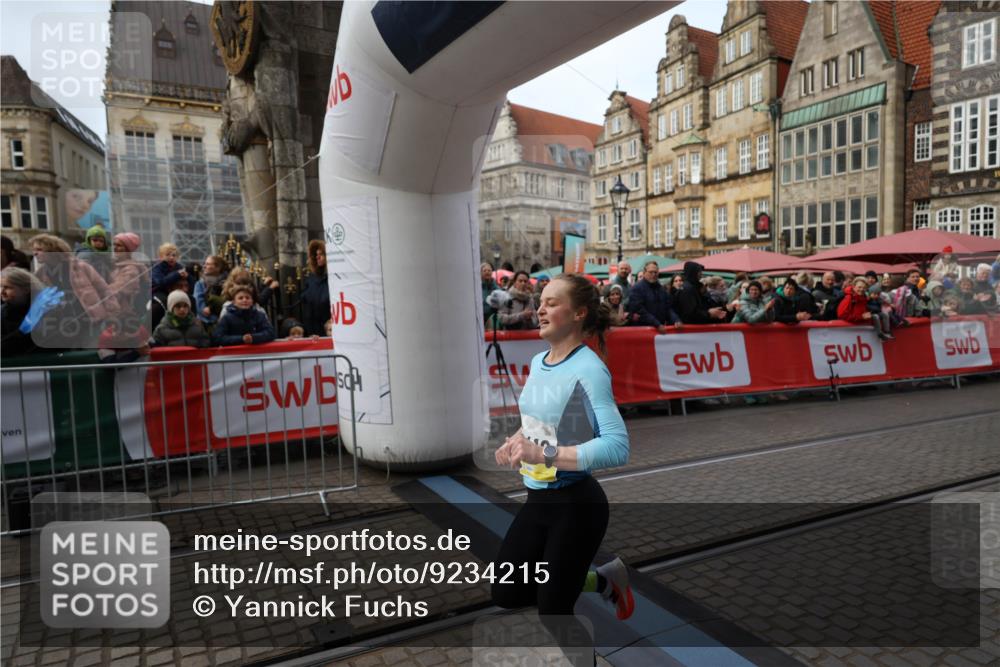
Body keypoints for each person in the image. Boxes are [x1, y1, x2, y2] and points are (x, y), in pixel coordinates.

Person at [492, 273, 633, 667]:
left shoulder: (590, 369)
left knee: (553, 609)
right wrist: (516, 441)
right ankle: (603, 581)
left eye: (552, 302)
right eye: (541, 300)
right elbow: (538, 420)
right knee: (506, 592)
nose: (540, 308)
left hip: (577, 506)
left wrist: (544, 454)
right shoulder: (540, 361)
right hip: (537, 501)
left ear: (579, 313)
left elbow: (617, 446)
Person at [1, 267, 44, 358]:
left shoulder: (47, 311)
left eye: (7, 287)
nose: (2, 292)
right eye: (0, 287)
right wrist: (21, 332)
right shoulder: (2, 313)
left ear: (26, 289)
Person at [627, 261, 681, 331]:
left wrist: (676, 320)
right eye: (651, 272)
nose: (653, 274)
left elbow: (668, 308)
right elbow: (639, 311)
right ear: (644, 272)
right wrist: (657, 324)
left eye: (655, 272)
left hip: (659, 330)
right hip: (643, 331)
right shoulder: (636, 288)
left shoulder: (661, 289)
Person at [108, 232, 148, 318]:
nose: (115, 248)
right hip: (116, 313)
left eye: (119, 245)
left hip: (123, 316)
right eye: (114, 245)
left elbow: (117, 291)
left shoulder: (131, 269)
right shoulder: (116, 265)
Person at [301, 240, 331, 336]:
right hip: (312, 329)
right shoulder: (312, 278)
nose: (318, 257)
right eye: (316, 254)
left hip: (328, 328)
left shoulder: (332, 277)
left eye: (321, 254)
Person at [193, 255, 227, 328]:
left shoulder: (226, 283)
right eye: (205, 263)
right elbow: (199, 304)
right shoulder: (200, 283)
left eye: (208, 264)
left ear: (218, 268)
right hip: (204, 323)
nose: (204, 266)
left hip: (224, 321)